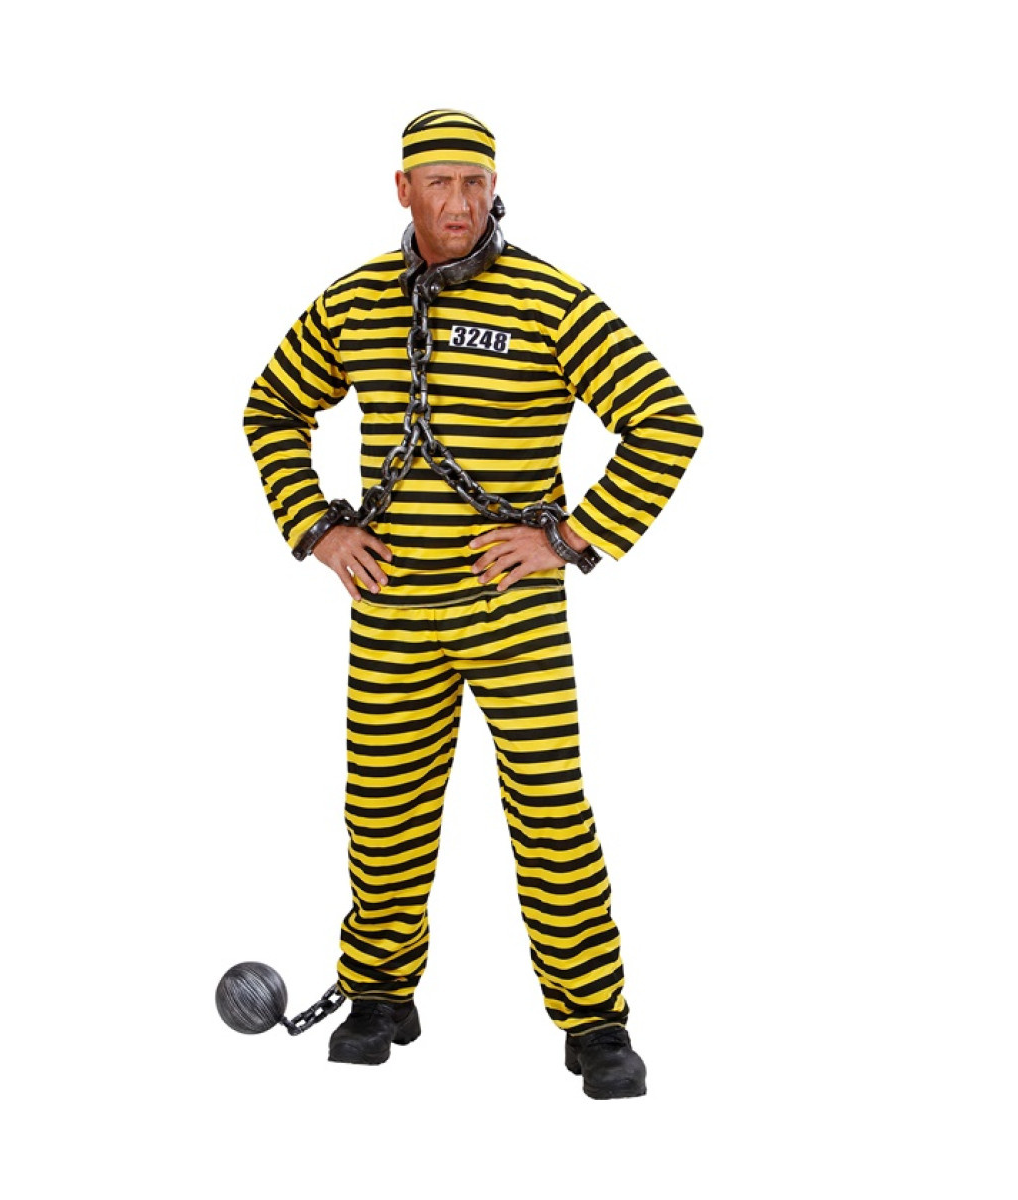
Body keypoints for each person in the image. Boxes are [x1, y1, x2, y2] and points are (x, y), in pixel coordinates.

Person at [242, 109, 702, 1099]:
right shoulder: (354, 302)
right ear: (402, 189)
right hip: (392, 608)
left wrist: (569, 539)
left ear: (496, 188)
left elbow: (666, 420)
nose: (459, 202)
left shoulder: (550, 300)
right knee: (383, 811)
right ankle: (378, 994)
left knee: (551, 814)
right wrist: (318, 530)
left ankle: (595, 1020)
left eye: (475, 182)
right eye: (439, 181)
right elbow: (272, 405)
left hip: (514, 616)